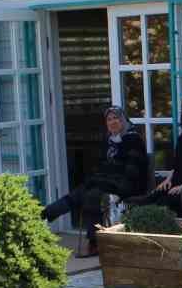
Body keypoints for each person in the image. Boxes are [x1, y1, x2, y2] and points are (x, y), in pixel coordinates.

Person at [41, 107, 150, 256]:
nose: (113, 122)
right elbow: (100, 166)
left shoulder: (133, 139)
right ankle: (44, 215)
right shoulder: (108, 141)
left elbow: (133, 171)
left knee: (92, 196)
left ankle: (95, 243)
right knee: (80, 193)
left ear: (123, 120)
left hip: (128, 185)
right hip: (107, 183)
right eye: (109, 119)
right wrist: (98, 178)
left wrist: (115, 186)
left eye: (116, 118)